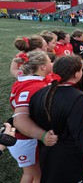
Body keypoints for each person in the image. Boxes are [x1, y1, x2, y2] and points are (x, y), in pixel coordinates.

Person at [10, 51, 57, 183]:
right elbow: (19, 119)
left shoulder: (25, 78)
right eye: (49, 61)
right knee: (35, 176)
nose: (51, 63)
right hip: (26, 138)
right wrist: (43, 135)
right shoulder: (33, 87)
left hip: (24, 136)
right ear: (42, 67)